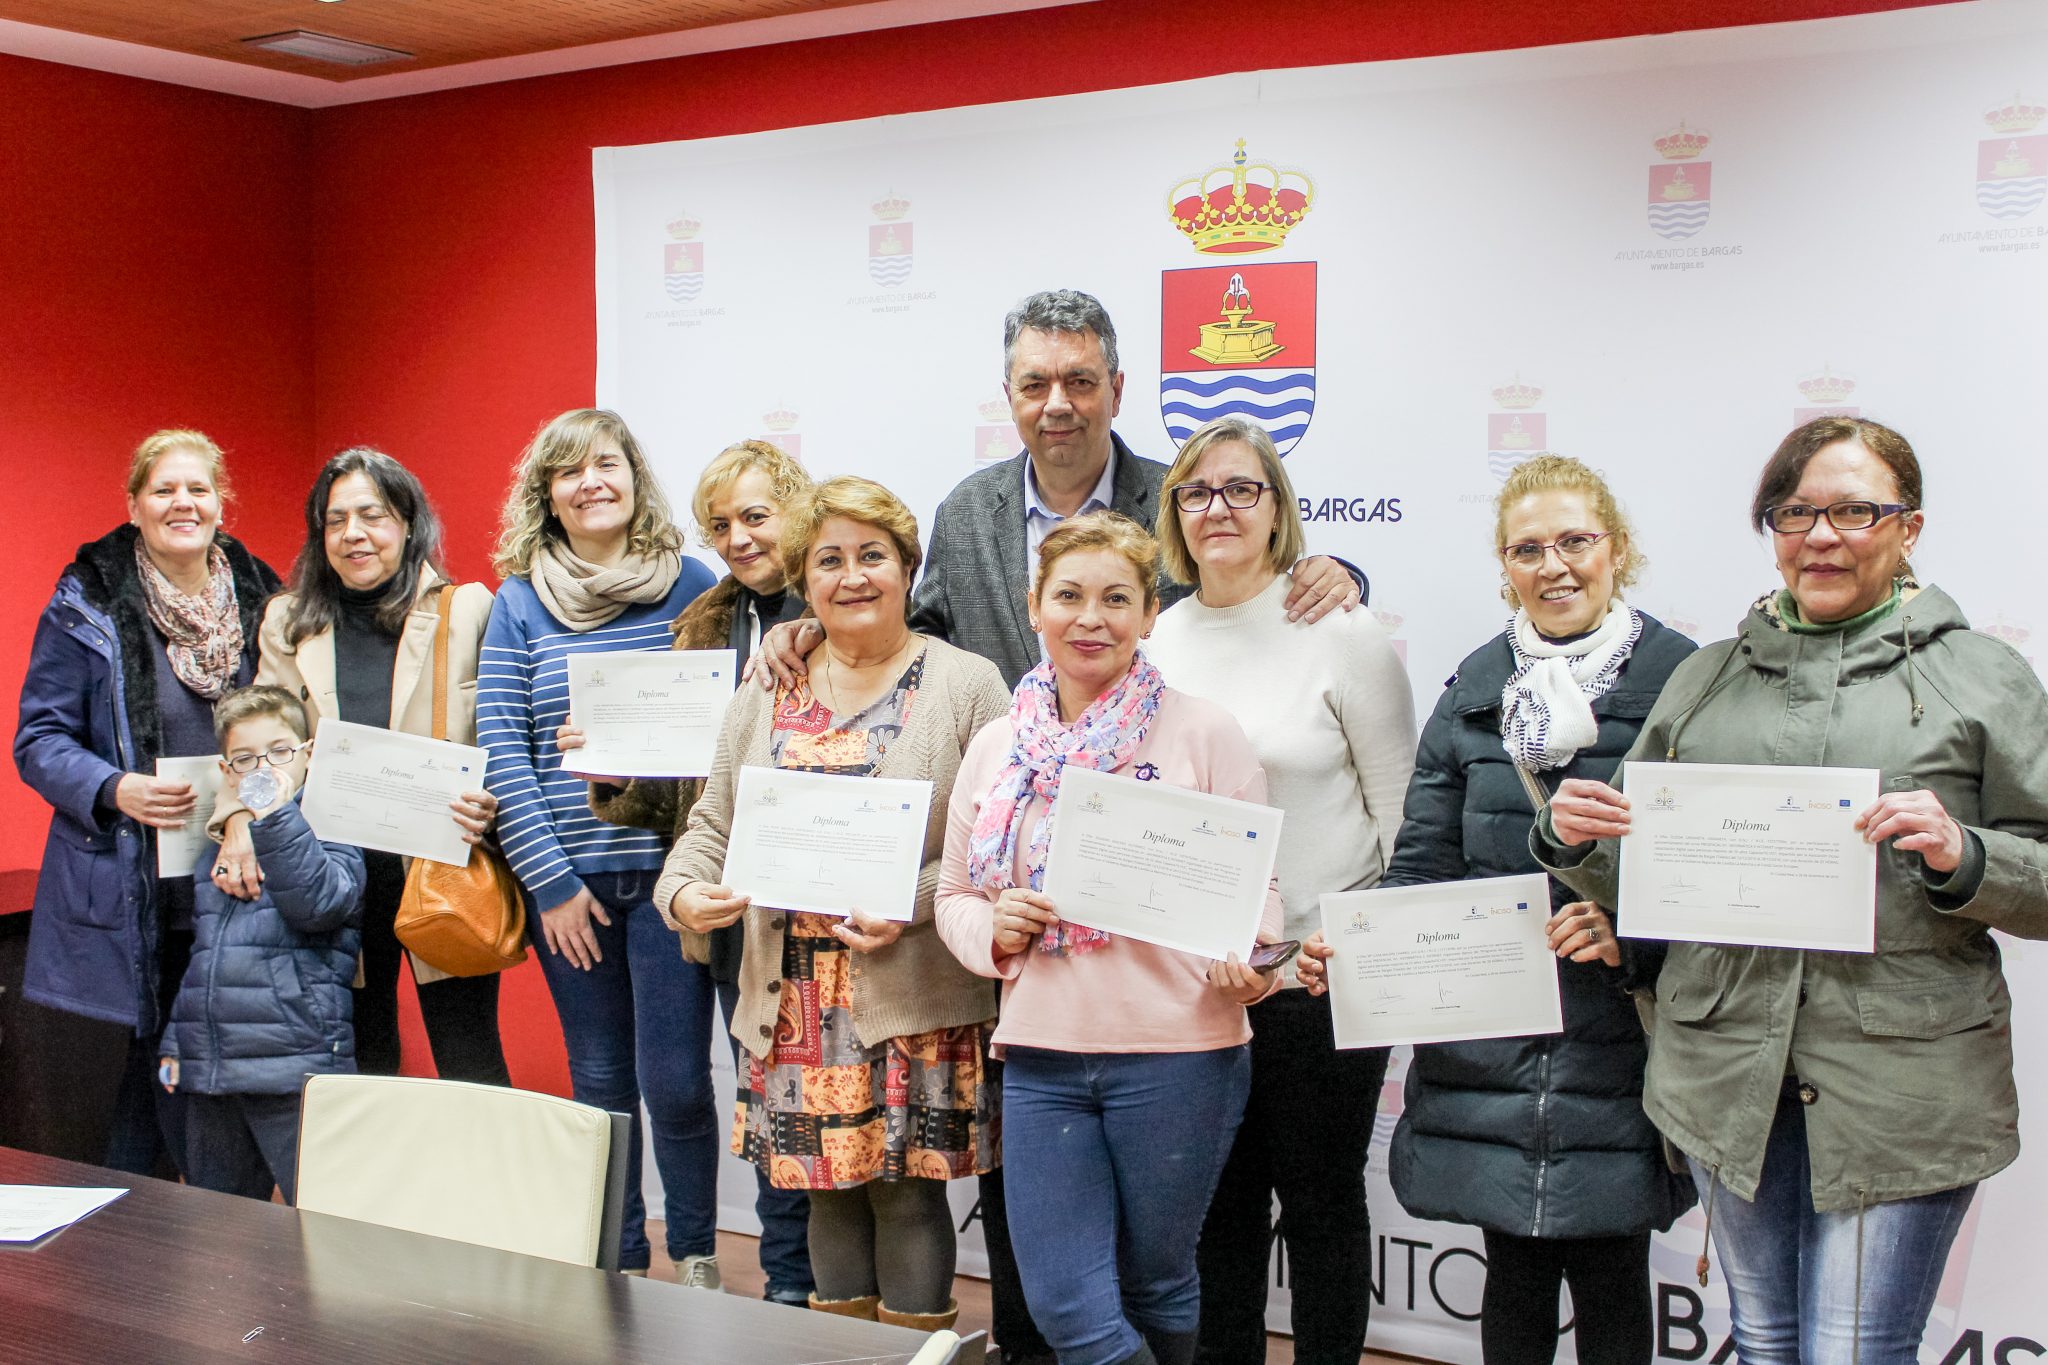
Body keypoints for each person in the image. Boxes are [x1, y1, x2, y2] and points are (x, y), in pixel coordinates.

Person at [753, 288, 1362, 1364]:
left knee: (1171, 1271)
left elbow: (1243, 583)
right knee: (1059, 1283)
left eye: (1079, 381)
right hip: (1032, 1016)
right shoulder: (975, 544)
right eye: (1034, 383)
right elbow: (907, 631)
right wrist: (812, 623)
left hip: (1175, 1021)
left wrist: (1331, 569)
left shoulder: (1180, 560)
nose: (1058, 403)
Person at [1537, 417, 2048, 1365]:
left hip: (1905, 1085)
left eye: (1854, 509)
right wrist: (1571, 838)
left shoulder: (1981, 677)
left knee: (1855, 1349)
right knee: (1766, 1340)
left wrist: (1965, 854)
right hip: (1727, 1073)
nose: (1821, 534)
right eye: (1794, 511)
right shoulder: (1706, 677)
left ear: (1909, 525)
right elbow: (1643, 877)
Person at [1299, 453, 1698, 1365]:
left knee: (1611, 1269)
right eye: (1528, 549)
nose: (1553, 565)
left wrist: (1628, 931)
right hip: (1490, 1037)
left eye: (1574, 542)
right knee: (1512, 1269)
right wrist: (1361, 947)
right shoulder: (1473, 693)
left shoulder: (1690, 684)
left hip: (1623, 1036)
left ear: (1617, 549)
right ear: (1504, 565)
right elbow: (1425, 861)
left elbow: (1714, 875)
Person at [655, 476, 1009, 1332]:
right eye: (829, 560)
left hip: (907, 989)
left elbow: (1003, 843)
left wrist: (912, 899)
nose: (853, 576)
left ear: (907, 567)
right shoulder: (768, 684)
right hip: (793, 996)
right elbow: (714, 820)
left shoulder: (967, 684)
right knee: (825, 1197)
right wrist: (682, 891)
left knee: (904, 1195)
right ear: (804, 581)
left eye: (872, 556)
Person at [936, 511, 1285, 1365]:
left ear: (1149, 614)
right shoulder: (995, 746)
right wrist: (995, 927)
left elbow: (1259, 898)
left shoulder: (1205, 732)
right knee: (1066, 1304)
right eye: (1070, 596)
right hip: (1043, 1056)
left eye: (1116, 598)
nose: (1091, 617)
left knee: (1158, 1279)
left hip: (1182, 1055)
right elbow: (953, 894)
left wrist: (1255, 965)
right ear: (1035, 606)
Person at [1139, 417, 1416, 1365]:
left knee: (1323, 1204)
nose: (1218, 507)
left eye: (1241, 489)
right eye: (1197, 492)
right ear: (1175, 512)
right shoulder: (1156, 637)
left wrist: (1353, 953)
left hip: (1318, 977)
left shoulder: (1342, 631)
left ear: (1277, 508)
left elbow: (1398, 820)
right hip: (1198, 980)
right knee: (1219, 1209)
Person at [559, 438, 817, 1306]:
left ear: (797, 511)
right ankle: (781, 1280)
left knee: (790, 1100)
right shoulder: (703, 619)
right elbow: (673, 793)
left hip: (810, 901)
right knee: (751, 1093)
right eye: (721, 523)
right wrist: (610, 770)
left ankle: (796, 1282)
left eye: (754, 515)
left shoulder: (839, 602)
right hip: (718, 906)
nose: (738, 537)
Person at [476, 409, 720, 1282]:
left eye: (607, 464)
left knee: (680, 1084)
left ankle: (693, 1254)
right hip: (568, 883)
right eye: (570, 471)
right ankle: (615, 1261)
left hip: (668, 879)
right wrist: (547, 883)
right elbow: (502, 744)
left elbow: (726, 728)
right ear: (548, 494)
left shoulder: (693, 584)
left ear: (633, 477)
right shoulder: (517, 602)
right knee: (601, 1084)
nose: (592, 482)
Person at [15, 429, 281, 1175]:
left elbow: (297, 733)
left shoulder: (270, 603)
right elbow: (39, 738)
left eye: (198, 488)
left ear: (221, 504)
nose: (182, 503)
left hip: (240, 878)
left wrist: (252, 815)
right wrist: (114, 787)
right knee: (154, 1074)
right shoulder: (86, 601)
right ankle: (148, 1260)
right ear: (134, 505)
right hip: (136, 892)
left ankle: (206, 1252)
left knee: (223, 1079)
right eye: (164, 489)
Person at [206, 448, 507, 1085]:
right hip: (332, 874)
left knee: (470, 1060)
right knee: (357, 1065)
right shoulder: (289, 621)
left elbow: (507, 734)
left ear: (407, 523)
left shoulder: (468, 609)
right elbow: (259, 739)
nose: (354, 534)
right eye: (336, 520)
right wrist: (237, 816)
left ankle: (483, 1185)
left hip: (439, 867)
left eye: (372, 515)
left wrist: (492, 799)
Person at [159, 685, 365, 1204]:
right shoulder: (219, 843)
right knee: (218, 1234)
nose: (264, 767)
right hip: (213, 1071)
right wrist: (176, 1045)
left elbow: (319, 905)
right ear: (226, 772)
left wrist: (273, 816)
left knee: (324, 1223)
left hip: (295, 1066)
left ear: (309, 755)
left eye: (279, 751)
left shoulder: (333, 825)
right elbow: (205, 957)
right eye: (245, 759)